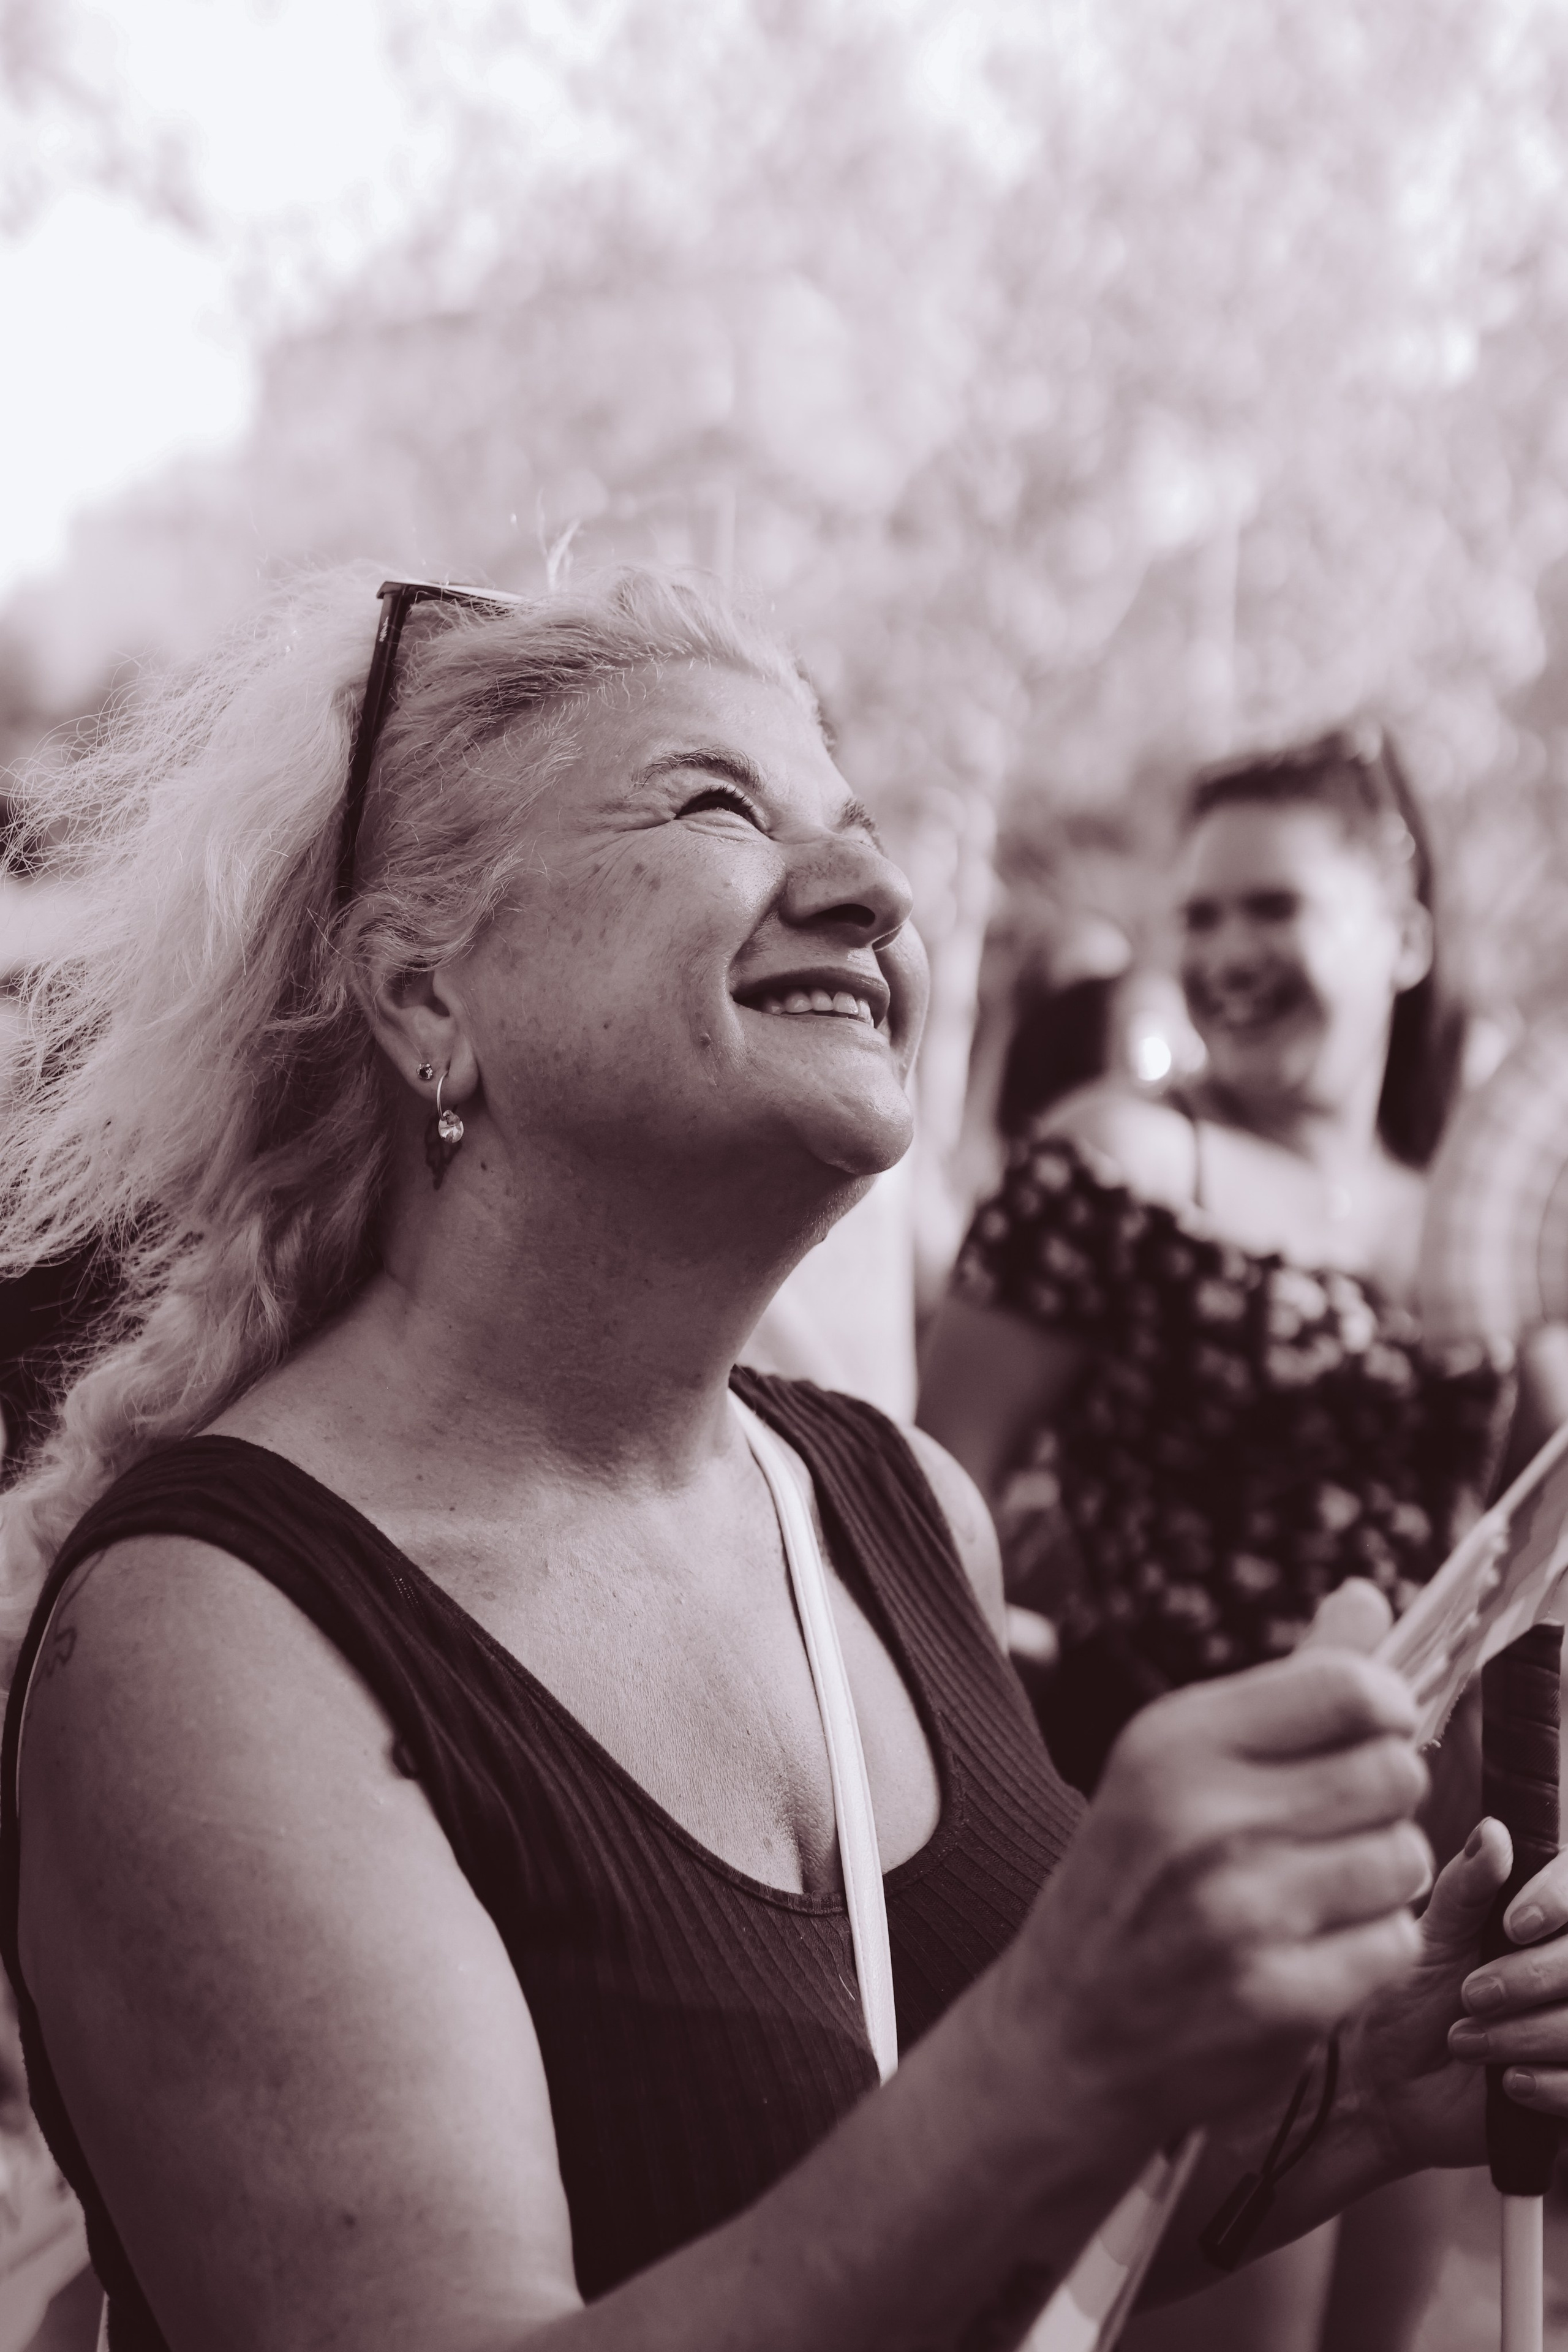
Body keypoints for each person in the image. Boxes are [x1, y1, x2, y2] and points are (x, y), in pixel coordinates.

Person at [0, 582, 1559, 2352]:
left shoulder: (902, 1512)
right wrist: (1056, 2043)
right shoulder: (208, 1642)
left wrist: (1349, 2098)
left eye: (865, 833)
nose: (879, 899)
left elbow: (971, 2227)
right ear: (424, 992)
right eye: (717, 807)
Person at [919, 723, 1512, 2352]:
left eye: (1272, 910)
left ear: (1402, 937)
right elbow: (938, 1501)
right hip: (1190, 1835)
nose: (1227, 956)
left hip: (1429, 1865)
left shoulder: (1475, 1218)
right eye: (1202, 918)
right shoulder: (1118, 1165)